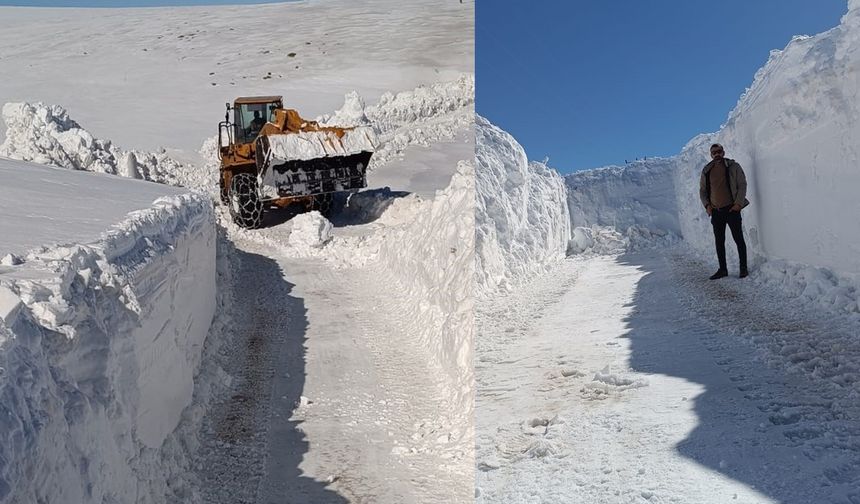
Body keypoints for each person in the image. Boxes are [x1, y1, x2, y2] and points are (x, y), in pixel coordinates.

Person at [699, 143, 749, 280]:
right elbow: (702, 191)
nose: (717, 154)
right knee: (719, 241)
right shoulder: (707, 170)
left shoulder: (733, 166)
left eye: (719, 151)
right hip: (716, 211)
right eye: (714, 152)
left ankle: (743, 268)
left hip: (732, 209)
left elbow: (742, 184)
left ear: (723, 152)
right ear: (711, 155)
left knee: (739, 239)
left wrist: (738, 203)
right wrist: (707, 206)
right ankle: (722, 269)